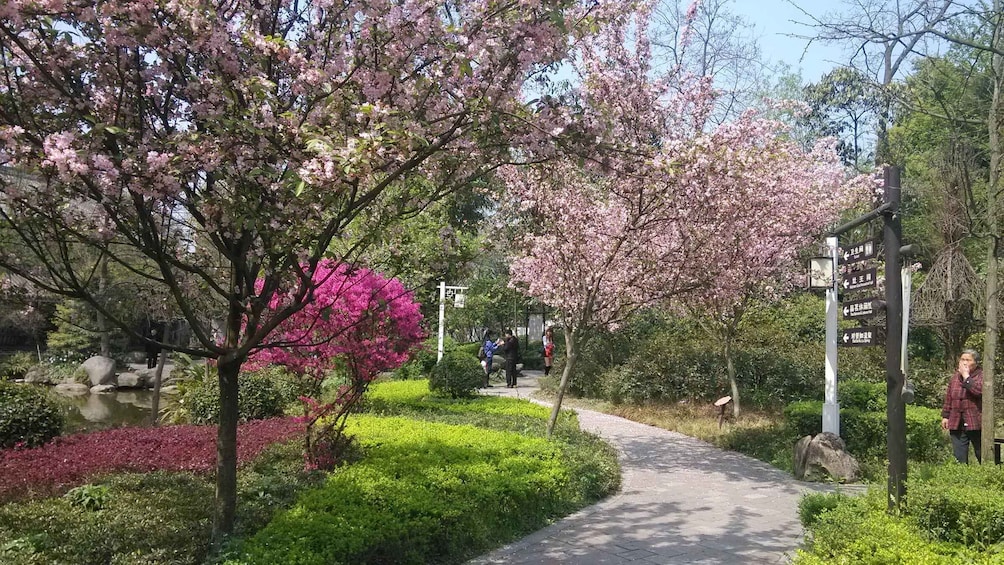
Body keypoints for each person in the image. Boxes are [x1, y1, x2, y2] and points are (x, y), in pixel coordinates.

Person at [941, 349, 984, 464]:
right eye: (962, 360)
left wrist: (966, 377)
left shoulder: (981, 376)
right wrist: (946, 416)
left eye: (968, 360)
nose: (964, 363)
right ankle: (962, 480)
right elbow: (949, 398)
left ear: (976, 363)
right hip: (957, 423)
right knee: (959, 458)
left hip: (976, 422)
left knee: (982, 454)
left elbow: (979, 391)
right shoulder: (955, 378)